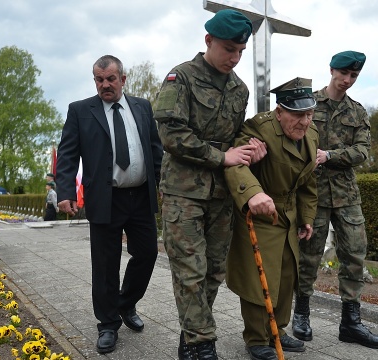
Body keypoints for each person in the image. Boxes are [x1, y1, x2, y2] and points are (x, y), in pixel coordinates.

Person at [152, 9, 259, 360]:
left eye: (241, 50)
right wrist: (222, 156)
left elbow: (236, 137)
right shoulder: (179, 78)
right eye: (229, 49)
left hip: (221, 195)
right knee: (190, 271)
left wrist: (252, 147)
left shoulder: (239, 89)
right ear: (208, 41)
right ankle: (201, 345)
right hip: (183, 192)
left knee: (214, 271)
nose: (235, 57)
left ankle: (191, 335)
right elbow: (171, 135)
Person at [56, 55, 163, 354]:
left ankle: (125, 304)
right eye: (99, 80)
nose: (105, 85)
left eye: (110, 79)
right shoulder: (80, 111)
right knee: (105, 266)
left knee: (148, 253)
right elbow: (67, 154)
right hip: (105, 199)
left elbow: (155, 149)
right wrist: (65, 191)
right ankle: (107, 325)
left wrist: (164, 182)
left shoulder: (142, 106)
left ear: (123, 79)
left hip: (140, 197)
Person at [291, 51, 378, 350]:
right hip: (312, 194)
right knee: (308, 257)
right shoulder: (307, 103)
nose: (347, 80)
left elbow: (362, 151)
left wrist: (330, 156)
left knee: (355, 257)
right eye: (343, 74)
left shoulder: (357, 112)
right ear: (332, 70)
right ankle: (301, 315)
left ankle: (351, 323)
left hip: (346, 196)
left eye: (354, 76)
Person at [224, 77, 318, 360]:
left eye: (309, 113)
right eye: (297, 114)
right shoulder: (259, 128)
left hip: (288, 214)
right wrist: (253, 192)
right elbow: (236, 164)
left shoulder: (311, 134)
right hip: (261, 211)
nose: (304, 121)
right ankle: (256, 338)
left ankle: (278, 329)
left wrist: (306, 217)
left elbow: (307, 182)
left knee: (287, 275)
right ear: (280, 112)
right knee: (259, 276)